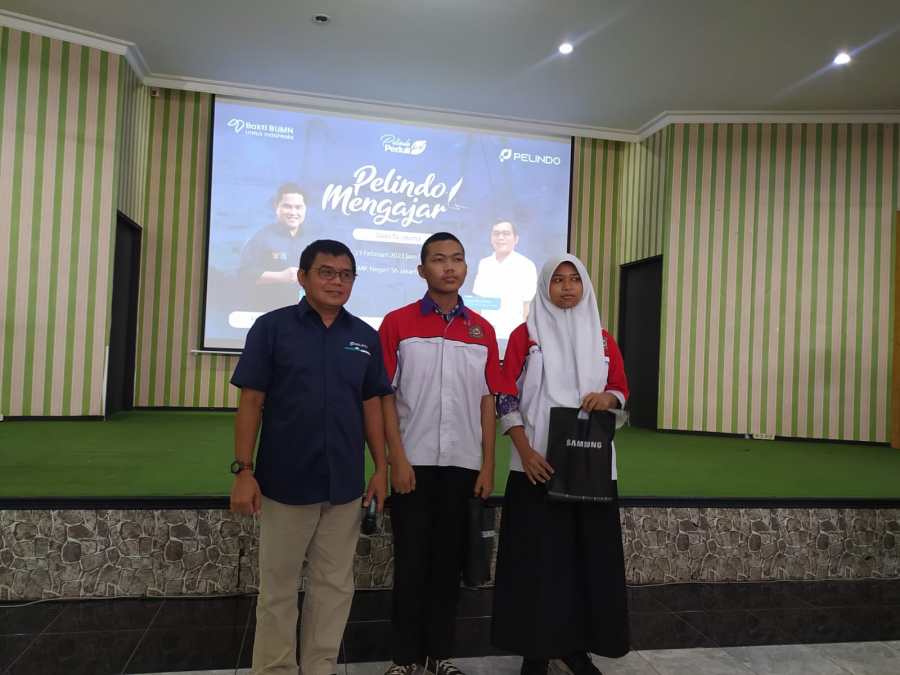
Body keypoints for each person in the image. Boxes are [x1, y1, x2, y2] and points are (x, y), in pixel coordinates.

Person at [229, 239, 393, 675]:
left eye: (346, 275)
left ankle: (320, 668)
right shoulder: (271, 328)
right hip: (285, 482)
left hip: (344, 487)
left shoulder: (364, 337)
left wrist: (381, 468)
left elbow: (371, 404)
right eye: (327, 272)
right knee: (278, 591)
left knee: (334, 587)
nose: (337, 282)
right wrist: (243, 471)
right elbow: (251, 401)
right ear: (303, 277)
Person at [378, 232, 515, 675]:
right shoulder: (397, 323)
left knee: (448, 565)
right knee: (411, 563)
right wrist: (396, 460)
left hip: (464, 466)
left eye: (457, 259)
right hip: (413, 465)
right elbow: (385, 397)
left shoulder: (483, 330)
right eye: (439, 259)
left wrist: (487, 465)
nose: (449, 267)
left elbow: (487, 401)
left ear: (466, 268)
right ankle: (403, 659)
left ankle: (440, 655)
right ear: (422, 270)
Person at [491, 253, 630, 675]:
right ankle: (535, 650)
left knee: (586, 562)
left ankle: (575, 648)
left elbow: (620, 389)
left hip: (590, 470)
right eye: (558, 280)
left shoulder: (602, 340)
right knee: (536, 563)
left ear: (585, 285)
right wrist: (525, 451)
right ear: (544, 287)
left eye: (574, 279)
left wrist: (608, 398)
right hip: (536, 468)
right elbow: (505, 395)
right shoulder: (526, 335)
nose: (567, 287)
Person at [237, 182, 312, 310]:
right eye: (287, 206)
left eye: (298, 207)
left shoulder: (312, 240)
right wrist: (281, 277)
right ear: (276, 207)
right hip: (270, 310)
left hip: (305, 313)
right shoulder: (262, 237)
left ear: (305, 209)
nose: (293, 212)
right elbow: (244, 274)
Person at [471, 221, 538, 341]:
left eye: (506, 233)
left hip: (513, 336)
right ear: (491, 238)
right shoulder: (484, 264)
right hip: (485, 335)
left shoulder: (526, 265)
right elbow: (478, 302)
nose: (500, 237)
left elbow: (528, 307)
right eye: (496, 233)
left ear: (516, 239)